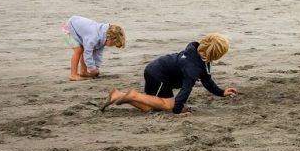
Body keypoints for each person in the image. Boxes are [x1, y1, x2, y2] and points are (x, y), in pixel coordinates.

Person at [100, 33, 238, 114]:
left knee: (152, 107)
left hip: (158, 71)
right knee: (168, 106)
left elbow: (206, 79)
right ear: (216, 55)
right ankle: (133, 95)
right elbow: (186, 89)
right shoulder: (192, 67)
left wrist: (221, 92)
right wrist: (177, 110)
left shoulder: (198, 53)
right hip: (158, 76)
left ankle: (118, 95)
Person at [62, 15, 126, 81]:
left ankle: (83, 72)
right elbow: (88, 53)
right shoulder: (93, 37)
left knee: (84, 49)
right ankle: (73, 75)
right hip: (68, 28)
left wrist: (96, 68)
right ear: (108, 37)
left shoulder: (102, 38)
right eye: (113, 44)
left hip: (78, 31)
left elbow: (98, 54)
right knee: (79, 50)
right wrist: (92, 69)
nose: (112, 46)